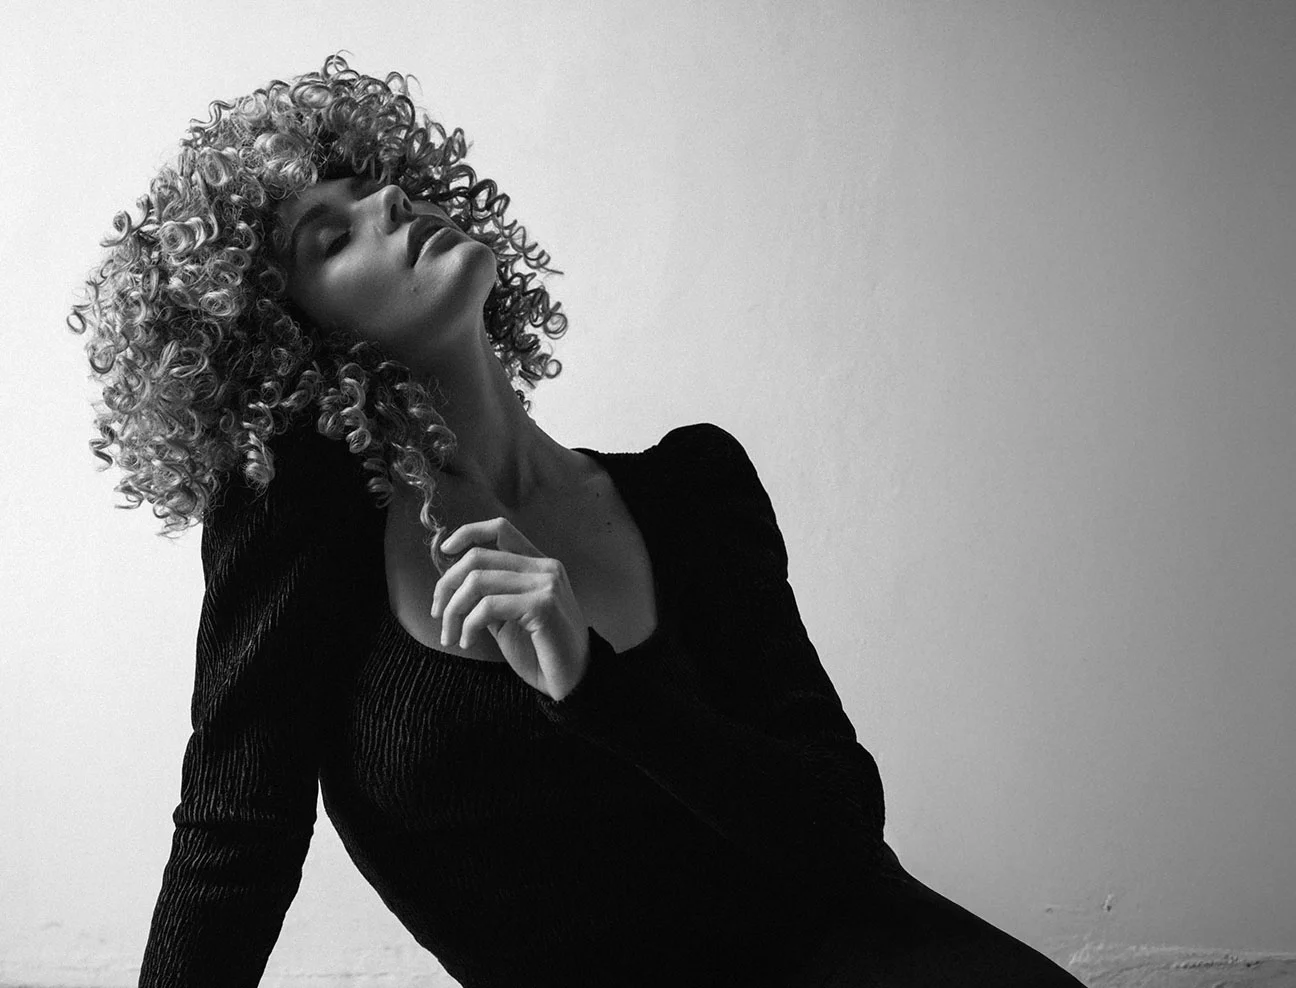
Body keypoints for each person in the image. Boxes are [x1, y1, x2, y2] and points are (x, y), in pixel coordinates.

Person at [69, 54, 1086, 988]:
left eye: (376, 185)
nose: (386, 200)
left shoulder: (695, 488)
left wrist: (596, 684)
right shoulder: (301, 530)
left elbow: (838, 822)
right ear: (287, 345)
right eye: (331, 237)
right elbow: (232, 838)